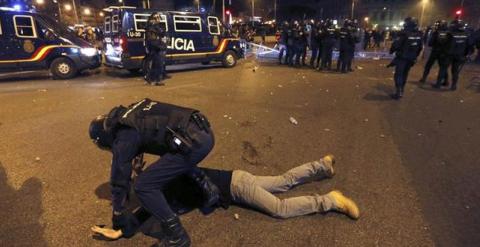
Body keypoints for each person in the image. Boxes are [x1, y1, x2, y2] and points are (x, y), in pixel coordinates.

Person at [91, 155, 360, 241]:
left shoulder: (165, 180)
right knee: (283, 181)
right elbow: (147, 210)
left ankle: (330, 200)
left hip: (236, 188)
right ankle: (321, 165)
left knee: (280, 208)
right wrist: (121, 231)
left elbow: (149, 208)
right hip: (236, 178)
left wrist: (124, 228)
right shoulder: (162, 179)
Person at [89, 98, 219, 247]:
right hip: (201, 131)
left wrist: (119, 221)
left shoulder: (123, 139)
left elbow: (119, 182)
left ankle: (177, 237)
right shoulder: (131, 114)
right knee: (167, 158)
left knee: (143, 185)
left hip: (194, 144)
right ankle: (209, 189)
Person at [388, 17, 423, 100]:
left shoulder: (403, 33)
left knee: (398, 74)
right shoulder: (419, 34)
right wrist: (415, 56)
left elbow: (396, 45)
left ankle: (398, 91)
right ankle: (402, 89)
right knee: (405, 74)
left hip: (402, 58)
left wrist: (391, 51)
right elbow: (420, 47)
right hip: (411, 58)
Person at [435, 19, 474, 90]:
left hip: (448, 55)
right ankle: (453, 86)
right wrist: (466, 55)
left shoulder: (450, 34)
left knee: (443, 69)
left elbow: (443, 43)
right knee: (455, 71)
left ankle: (438, 84)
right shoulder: (466, 35)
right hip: (459, 55)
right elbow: (469, 46)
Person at [144, 13, 168, 86]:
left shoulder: (155, 27)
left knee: (155, 65)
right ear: (154, 19)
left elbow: (162, 34)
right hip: (155, 49)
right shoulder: (151, 28)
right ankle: (156, 80)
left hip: (156, 48)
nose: (159, 20)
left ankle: (151, 79)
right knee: (158, 65)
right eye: (158, 18)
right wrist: (161, 47)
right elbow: (153, 40)